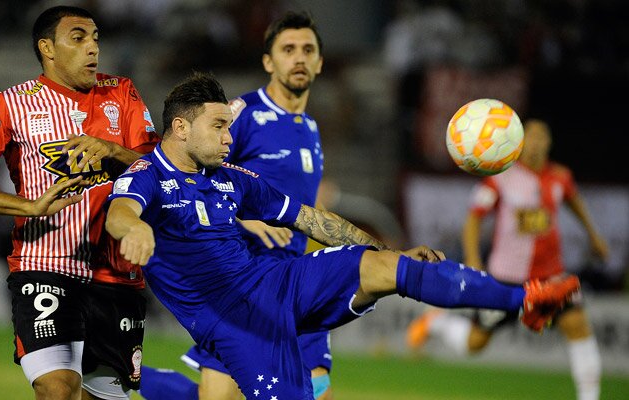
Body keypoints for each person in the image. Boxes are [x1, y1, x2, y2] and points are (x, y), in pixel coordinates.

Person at [104, 72, 581, 400]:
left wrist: (392, 250)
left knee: (382, 267)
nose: (231, 137)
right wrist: (138, 228)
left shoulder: (231, 178)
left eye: (230, 127)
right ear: (181, 127)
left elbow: (309, 218)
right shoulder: (147, 175)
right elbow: (119, 214)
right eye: (220, 126)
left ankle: (525, 299)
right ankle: (134, 375)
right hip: (235, 322)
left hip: (277, 282)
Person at [0, 6, 159, 400]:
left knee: (100, 396)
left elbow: (160, 171)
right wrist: (28, 207)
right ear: (47, 48)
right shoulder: (10, 104)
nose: (93, 48)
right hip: (44, 266)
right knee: (58, 388)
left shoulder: (122, 93)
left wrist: (111, 150)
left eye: (96, 38)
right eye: (79, 38)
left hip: (116, 275)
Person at [138, 11, 333, 400]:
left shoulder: (309, 126)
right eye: (288, 49)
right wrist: (246, 223)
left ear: (320, 62)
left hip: (294, 280)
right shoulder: (242, 114)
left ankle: (129, 375)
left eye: (308, 49)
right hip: (245, 283)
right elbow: (195, 175)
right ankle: (131, 376)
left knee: (313, 390)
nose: (299, 58)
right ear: (268, 61)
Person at [406, 119, 608, 400]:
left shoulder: (561, 176)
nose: (536, 142)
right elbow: (474, 218)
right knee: (474, 344)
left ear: (549, 143)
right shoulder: (501, 177)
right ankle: (438, 323)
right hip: (507, 277)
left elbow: (574, 201)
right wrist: (474, 257)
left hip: (551, 275)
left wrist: (593, 234)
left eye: (541, 136)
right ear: (520, 142)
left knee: (577, 325)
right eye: (531, 137)